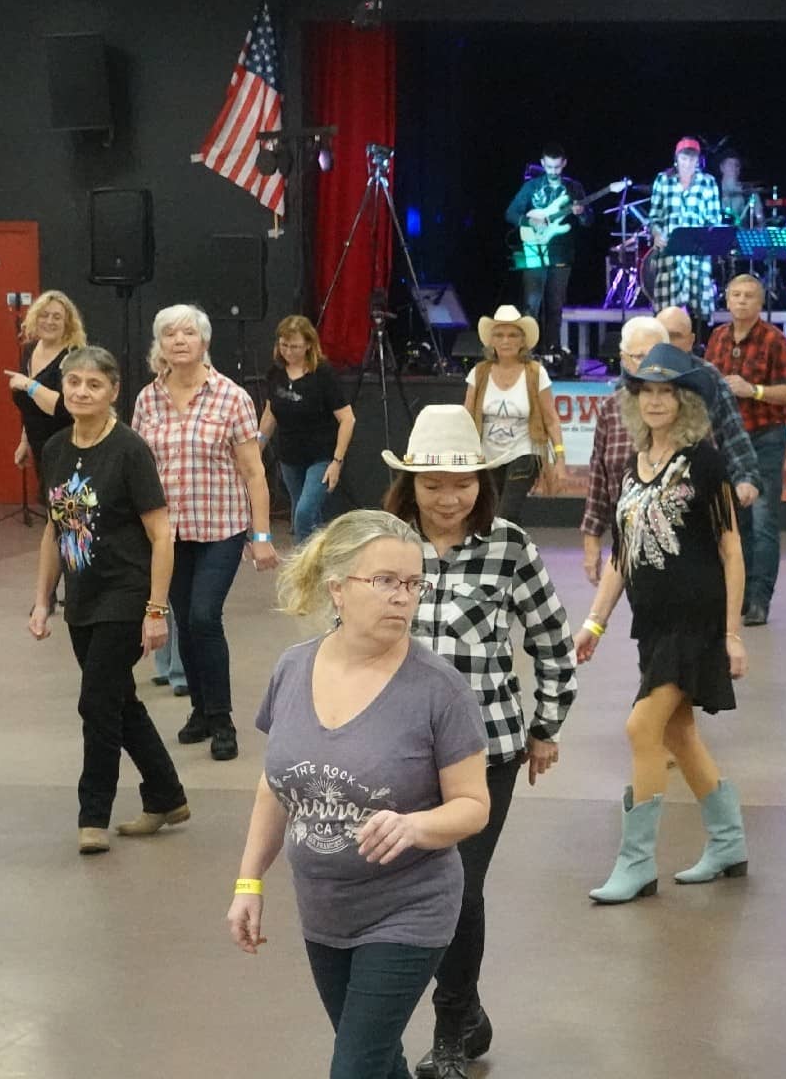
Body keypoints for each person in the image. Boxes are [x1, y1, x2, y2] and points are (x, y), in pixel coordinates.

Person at [226, 510, 491, 1079]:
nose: (403, 598)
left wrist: (415, 826)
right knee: (377, 1061)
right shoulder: (292, 669)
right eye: (386, 582)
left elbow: (474, 805)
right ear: (338, 588)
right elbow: (276, 787)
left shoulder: (439, 689)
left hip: (409, 909)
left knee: (355, 1068)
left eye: (413, 584)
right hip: (324, 911)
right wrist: (249, 880)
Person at [380, 406, 578, 1079]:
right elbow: (343, 642)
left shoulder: (509, 545)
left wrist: (546, 725)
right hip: (397, 750)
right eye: (432, 483)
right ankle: (468, 1014)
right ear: (409, 485)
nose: (447, 496)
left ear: (482, 483)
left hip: (485, 749)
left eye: (461, 483)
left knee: (458, 889)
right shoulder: (381, 545)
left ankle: (450, 1032)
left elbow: (553, 643)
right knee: (408, 892)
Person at [573, 343, 750, 904]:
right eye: (645, 392)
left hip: (695, 622)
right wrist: (594, 625)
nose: (654, 401)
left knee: (641, 729)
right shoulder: (632, 466)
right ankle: (728, 843)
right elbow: (623, 557)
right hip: (651, 626)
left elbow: (731, 551)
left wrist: (732, 633)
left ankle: (637, 864)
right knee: (678, 732)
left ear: (685, 400)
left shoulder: (705, 461)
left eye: (665, 392)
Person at [28, 346, 189, 855]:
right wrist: (41, 600)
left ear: (113, 391)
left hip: (126, 591)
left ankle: (92, 815)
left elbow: (162, 534)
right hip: (82, 595)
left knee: (95, 701)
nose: (80, 392)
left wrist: (156, 608)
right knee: (120, 700)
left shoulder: (129, 450)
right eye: (73, 382)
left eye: (92, 384)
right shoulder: (54, 448)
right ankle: (166, 794)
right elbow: (55, 531)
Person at [133, 303, 278, 759]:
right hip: (168, 534)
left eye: (188, 333)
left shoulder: (232, 397)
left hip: (221, 526)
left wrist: (261, 535)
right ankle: (198, 707)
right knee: (184, 625)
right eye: (170, 334)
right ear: (161, 345)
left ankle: (222, 720)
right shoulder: (146, 399)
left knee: (202, 617)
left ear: (204, 342)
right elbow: (138, 467)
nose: (179, 341)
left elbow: (254, 471)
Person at [579, 317, 760, 585]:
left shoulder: (696, 402)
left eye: (655, 353)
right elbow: (599, 476)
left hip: (691, 546)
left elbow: (729, 443)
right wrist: (592, 538)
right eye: (639, 356)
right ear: (623, 358)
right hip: (631, 539)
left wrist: (746, 477)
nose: (648, 364)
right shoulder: (611, 409)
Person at [706, 274, 786, 626]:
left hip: (765, 437)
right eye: (736, 295)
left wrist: (753, 391)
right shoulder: (716, 338)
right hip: (727, 441)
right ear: (727, 301)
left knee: (763, 521)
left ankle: (761, 598)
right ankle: (739, 595)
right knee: (734, 521)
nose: (742, 301)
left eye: (749, 296)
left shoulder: (775, 341)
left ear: (760, 304)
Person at [503, 143, 615, 357]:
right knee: (531, 306)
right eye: (549, 167)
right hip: (535, 249)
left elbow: (588, 221)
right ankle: (527, 353)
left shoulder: (574, 187)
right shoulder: (532, 187)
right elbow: (510, 213)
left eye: (557, 167)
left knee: (555, 307)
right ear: (543, 163)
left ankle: (552, 353)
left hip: (562, 252)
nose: (553, 172)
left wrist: (581, 213)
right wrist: (529, 222)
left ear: (564, 164)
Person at [461, 305, 566, 523]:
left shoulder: (536, 373)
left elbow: (552, 420)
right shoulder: (479, 373)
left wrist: (560, 459)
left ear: (522, 341)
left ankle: (504, 552)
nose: (506, 341)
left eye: (512, 335)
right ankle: (512, 553)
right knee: (489, 514)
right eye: (499, 335)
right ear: (491, 341)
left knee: (506, 513)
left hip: (525, 451)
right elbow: (466, 417)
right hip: (487, 455)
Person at [259, 315, 356, 543]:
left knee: (303, 514)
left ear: (309, 345)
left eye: (295, 347)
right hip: (290, 456)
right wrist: (257, 446)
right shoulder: (276, 373)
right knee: (303, 514)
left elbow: (347, 419)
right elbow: (270, 414)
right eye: (284, 345)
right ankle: (320, 561)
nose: (288, 352)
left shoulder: (323, 374)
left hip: (321, 456)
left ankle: (304, 568)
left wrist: (337, 461)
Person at [5, 289, 87, 503]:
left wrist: (30, 385)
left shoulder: (73, 356)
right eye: (44, 315)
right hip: (41, 447)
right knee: (52, 513)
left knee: (69, 515)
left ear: (67, 323)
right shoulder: (31, 349)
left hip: (69, 448)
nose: (49, 321)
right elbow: (28, 405)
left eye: (57, 317)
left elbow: (64, 407)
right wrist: (25, 442)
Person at [647, 137, 723, 331]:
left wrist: (707, 237)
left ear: (698, 160)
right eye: (684, 158)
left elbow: (714, 220)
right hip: (670, 253)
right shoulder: (663, 180)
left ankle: (699, 351)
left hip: (697, 254)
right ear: (676, 158)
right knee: (666, 309)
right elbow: (654, 217)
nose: (688, 163)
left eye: (692, 159)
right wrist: (656, 233)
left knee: (700, 311)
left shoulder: (708, 182)